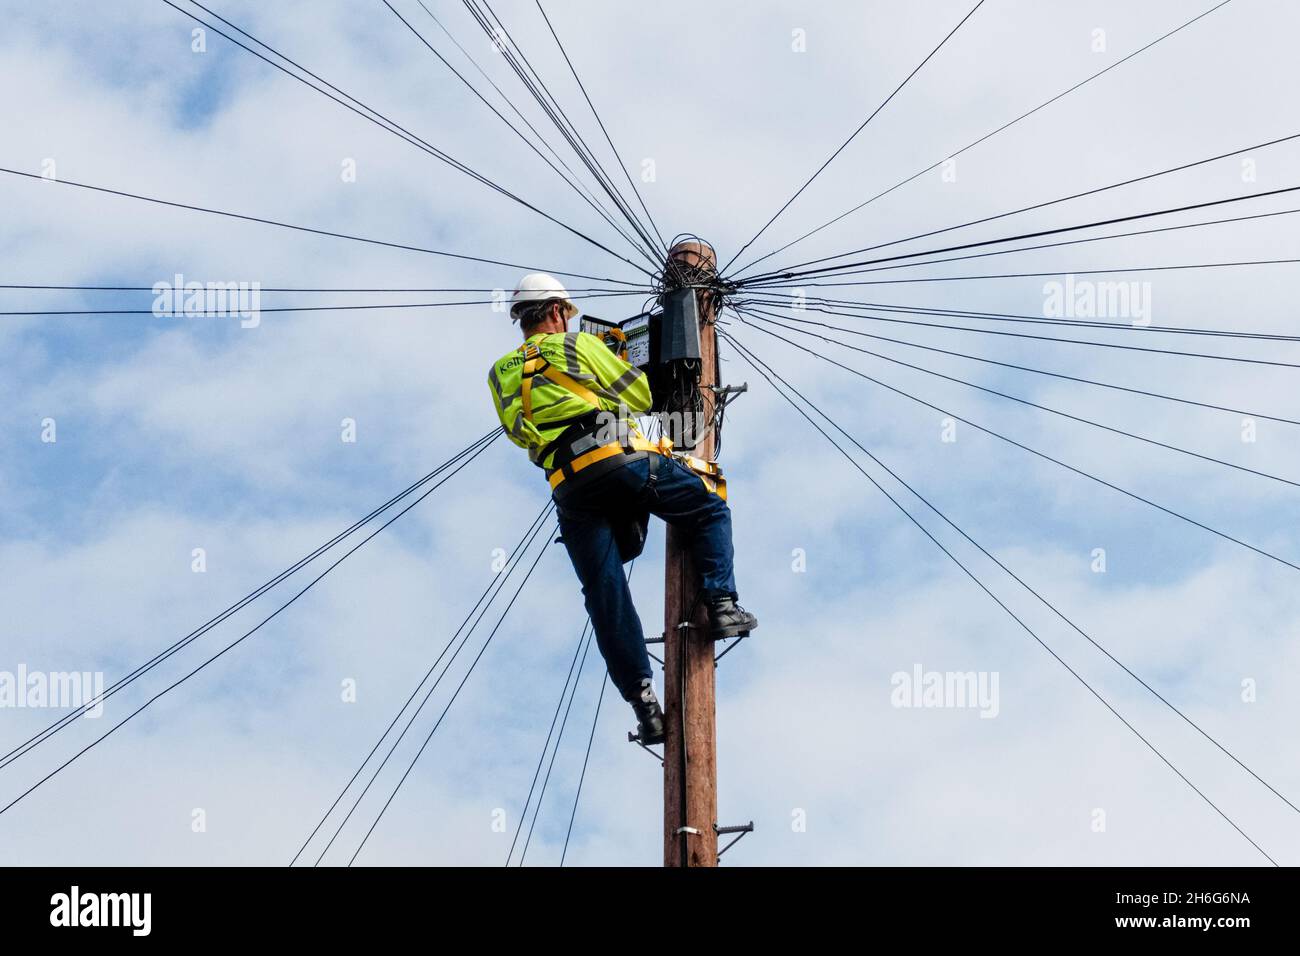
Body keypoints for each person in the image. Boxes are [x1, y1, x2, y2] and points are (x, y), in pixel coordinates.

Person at [486, 272, 756, 744]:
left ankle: (644, 703)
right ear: (557, 313)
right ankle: (723, 605)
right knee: (709, 504)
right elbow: (642, 396)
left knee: (605, 594)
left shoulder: (500, 372)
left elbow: (519, 433)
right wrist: (612, 376)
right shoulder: (580, 349)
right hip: (616, 460)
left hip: (568, 488)